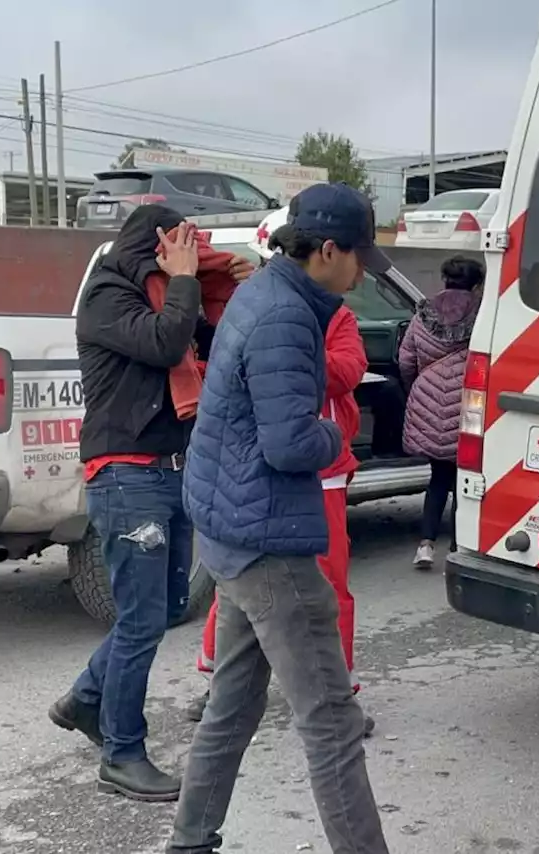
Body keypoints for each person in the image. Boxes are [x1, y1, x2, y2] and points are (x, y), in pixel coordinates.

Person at [167, 183, 391, 854]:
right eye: (358, 259)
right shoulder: (290, 317)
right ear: (327, 251)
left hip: (231, 525)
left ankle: (189, 841)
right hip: (268, 540)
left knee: (232, 708)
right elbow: (291, 442)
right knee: (331, 722)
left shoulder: (262, 293)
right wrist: (339, 439)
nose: (361, 274)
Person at [47, 205, 250, 802]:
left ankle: (87, 698)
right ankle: (121, 754)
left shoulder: (166, 296)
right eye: (180, 247)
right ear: (150, 248)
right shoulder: (110, 298)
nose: (190, 255)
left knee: (166, 606)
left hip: (170, 469)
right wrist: (187, 279)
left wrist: (222, 284)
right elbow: (166, 345)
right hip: (126, 474)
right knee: (140, 620)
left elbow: (207, 344)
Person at [187, 254, 372, 726]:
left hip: (323, 471)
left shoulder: (336, 316)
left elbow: (349, 368)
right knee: (238, 580)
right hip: (259, 471)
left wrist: (293, 353)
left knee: (329, 583)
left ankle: (339, 690)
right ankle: (217, 682)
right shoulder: (261, 306)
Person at [398, 255, 485, 570]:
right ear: (477, 284)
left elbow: (406, 359)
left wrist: (419, 387)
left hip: (427, 400)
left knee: (438, 478)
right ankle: (458, 546)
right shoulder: (484, 313)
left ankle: (425, 545)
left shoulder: (424, 313)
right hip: (471, 404)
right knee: (465, 477)